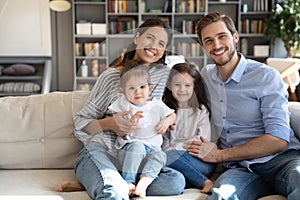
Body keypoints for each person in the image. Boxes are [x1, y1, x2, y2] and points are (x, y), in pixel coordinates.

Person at [56, 18, 186, 199]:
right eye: (150, 38)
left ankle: (100, 180)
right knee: (115, 192)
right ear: (137, 38)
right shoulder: (111, 76)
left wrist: (169, 122)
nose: (154, 46)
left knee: (175, 182)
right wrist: (110, 123)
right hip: (105, 150)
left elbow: (179, 107)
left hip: (140, 158)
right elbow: (81, 122)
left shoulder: (165, 75)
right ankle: (105, 178)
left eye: (161, 43)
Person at [184, 12, 300, 200]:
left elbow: (279, 139)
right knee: (221, 196)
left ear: (235, 37)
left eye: (222, 37)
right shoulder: (205, 77)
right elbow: (179, 96)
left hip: (281, 161)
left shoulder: (265, 76)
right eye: (209, 41)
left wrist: (220, 155)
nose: (217, 45)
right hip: (241, 168)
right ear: (204, 47)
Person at [108, 65, 176, 198]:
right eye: (131, 88)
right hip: (129, 150)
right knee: (137, 146)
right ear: (123, 91)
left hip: (151, 151)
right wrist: (129, 125)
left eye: (142, 87)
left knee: (161, 156)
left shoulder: (156, 103)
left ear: (150, 88)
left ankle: (144, 182)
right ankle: (128, 182)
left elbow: (173, 115)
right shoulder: (123, 104)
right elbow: (118, 130)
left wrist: (166, 121)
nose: (137, 92)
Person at [161, 62, 217, 194]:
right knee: (166, 163)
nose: (182, 90)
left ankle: (204, 181)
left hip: (200, 160)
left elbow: (201, 139)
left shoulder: (201, 110)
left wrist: (175, 148)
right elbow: (161, 139)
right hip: (172, 160)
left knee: (166, 156)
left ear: (194, 87)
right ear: (169, 86)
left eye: (187, 85)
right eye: (177, 85)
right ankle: (187, 180)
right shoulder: (165, 110)